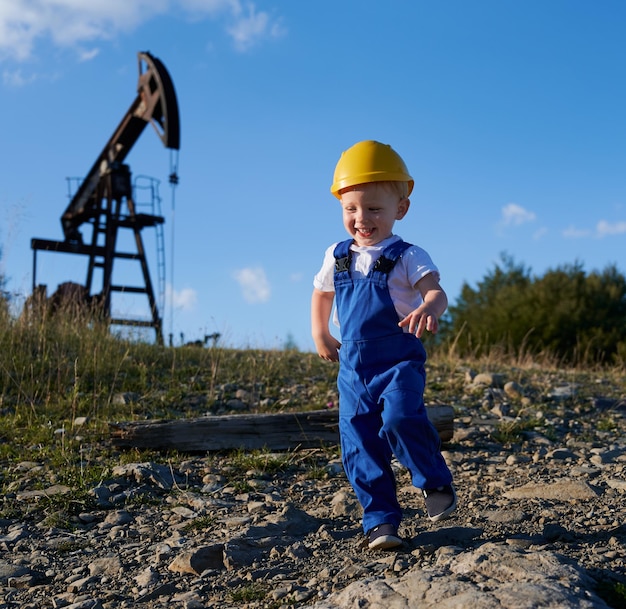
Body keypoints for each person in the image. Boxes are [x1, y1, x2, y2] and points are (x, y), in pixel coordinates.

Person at [311, 140, 456, 550]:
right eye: (351, 209)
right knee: (358, 441)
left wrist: (430, 305)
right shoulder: (336, 256)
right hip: (353, 368)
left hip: (397, 360)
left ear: (400, 208)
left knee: (399, 419)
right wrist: (320, 331)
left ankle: (433, 481)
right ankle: (380, 523)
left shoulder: (408, 255)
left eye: (374, 208)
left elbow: (437, 291)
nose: (362, 218)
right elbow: (321, 294)